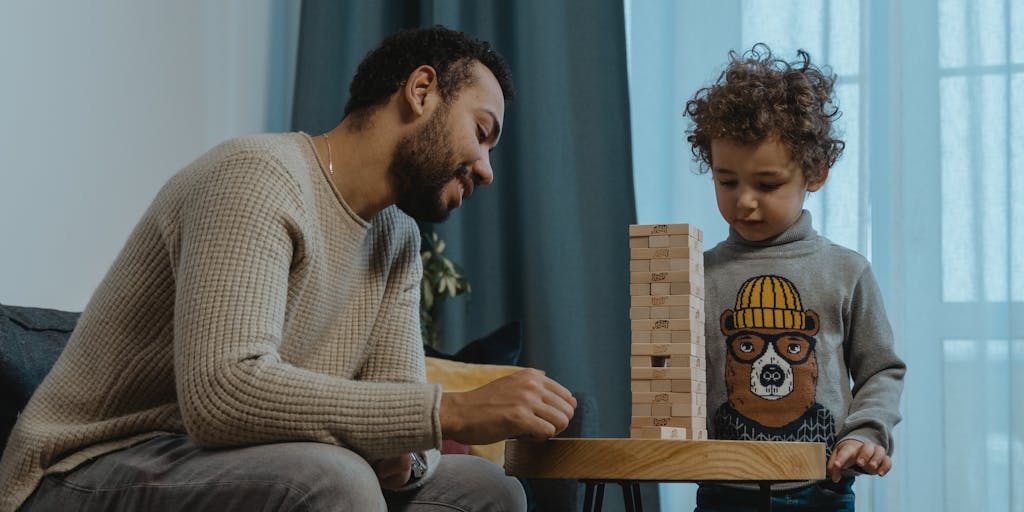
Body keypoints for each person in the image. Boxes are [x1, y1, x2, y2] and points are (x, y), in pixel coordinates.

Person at [0, 25, 577, 512]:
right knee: (334, 480)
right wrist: (448, 410)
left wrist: (403, 455)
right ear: (422, 90)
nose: (486, 170)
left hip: (228, 460)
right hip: (86, 465)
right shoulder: (255, 175)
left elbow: (400, 411)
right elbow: (223, 394)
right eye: (482, 133)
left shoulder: (397, 239)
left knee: (486, 488)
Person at [683, 43, 906, 511]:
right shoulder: (695, 274)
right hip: (723, 490)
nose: (744, 201)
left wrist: (867, 433)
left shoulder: (847, 271)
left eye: (767, 185)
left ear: (815, 172)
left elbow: (880, 369)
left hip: (820, 487)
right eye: (727, 182)